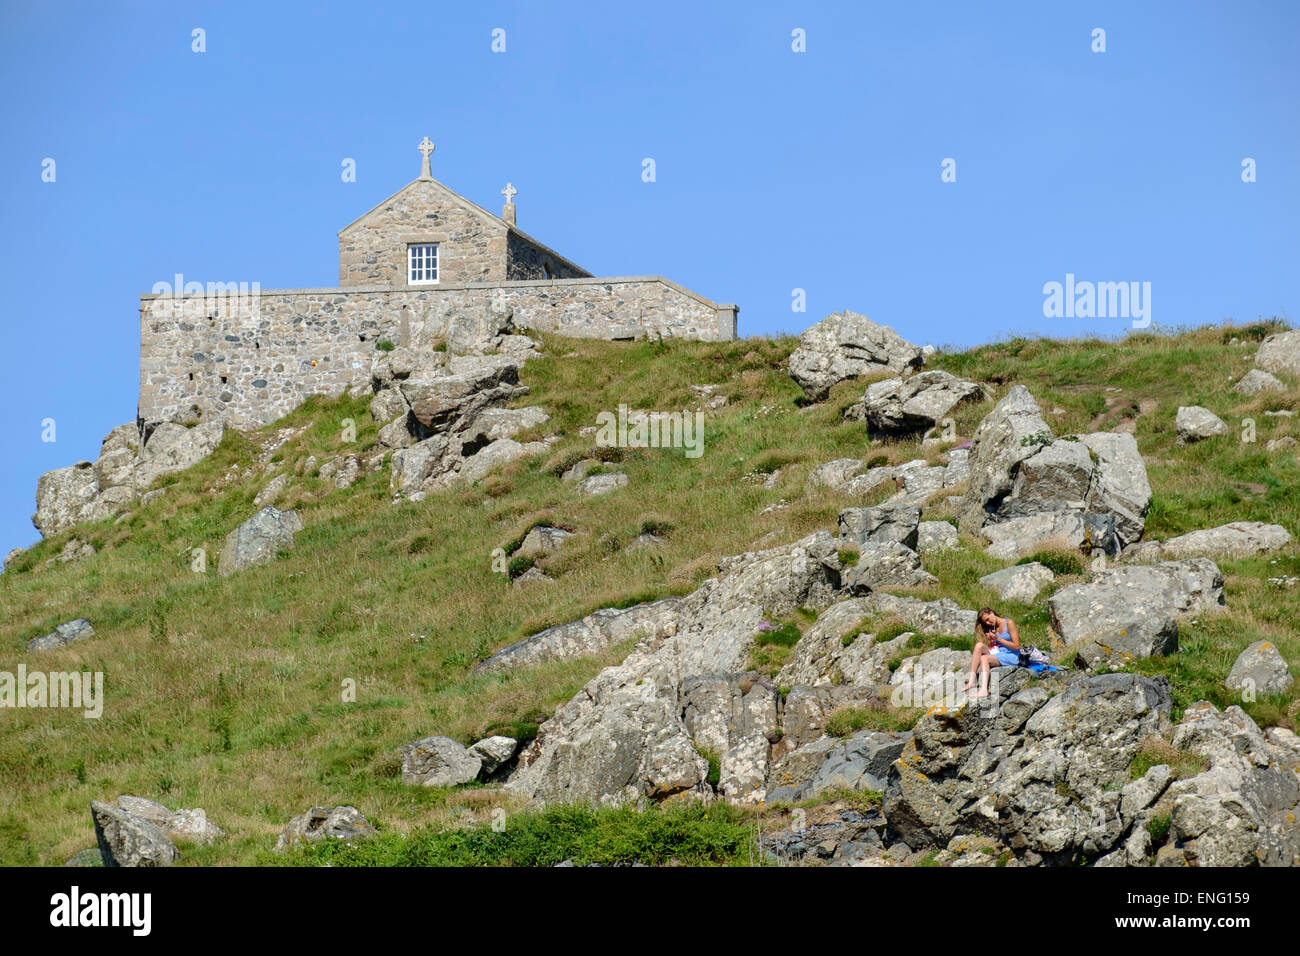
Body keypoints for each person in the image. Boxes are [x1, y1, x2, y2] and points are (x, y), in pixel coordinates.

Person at [964, 607, 1020, 699]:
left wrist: (998, 638)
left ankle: (983, 690)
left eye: (987, 619)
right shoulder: (993, 627)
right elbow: (996, 645)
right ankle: (972, 680)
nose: (987, 623)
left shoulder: (1009, 623)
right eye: (985, 622)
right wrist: (991, 640)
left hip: (1011, 655)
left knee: (984, 658)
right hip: (999, 652)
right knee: (979, 646)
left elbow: (1017, 646)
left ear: (992, 613)